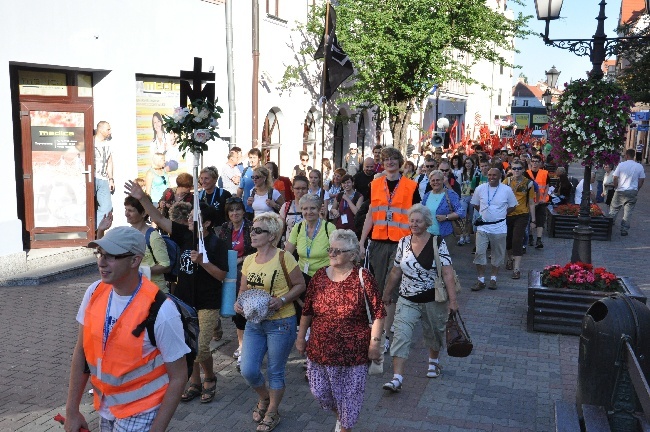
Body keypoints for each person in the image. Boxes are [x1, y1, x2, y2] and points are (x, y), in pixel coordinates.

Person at [64, 227, 188, 432]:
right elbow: (81, 351)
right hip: (106, 406)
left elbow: (179, 376)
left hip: (143, 411)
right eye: (100, 254)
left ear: (134, 261)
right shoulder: (94, 292)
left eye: (111, 256)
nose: (101, 262)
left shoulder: (162, 310)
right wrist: (71, 410)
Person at [125, 181, 229, 405]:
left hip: (207, 302)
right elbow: (160, 219)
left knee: (200, 348)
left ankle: (210, 378)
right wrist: (143, 198)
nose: (189, 219)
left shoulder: (215, 243)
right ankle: (195, 382)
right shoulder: (184, 235)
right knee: (187, 345)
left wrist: (202, 261)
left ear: (207, 223)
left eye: (195, 217)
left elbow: (221, 275)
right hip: (184, 299)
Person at [296, 229, 385, 432]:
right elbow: (307, 310)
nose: (332, 254)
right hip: (320, 350)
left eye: (338, 251)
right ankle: (342, 418)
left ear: (352, 255)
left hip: (353, 353)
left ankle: (345, 425)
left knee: (349, 398)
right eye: (331, 250)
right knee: (320, 392)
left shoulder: (363, 277)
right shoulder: (319, 277)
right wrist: (301, 337)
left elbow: (379, 313)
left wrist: (375, 344)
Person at [234, 213, 306, 432]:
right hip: (254, 323)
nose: (252, 234)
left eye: (258, 231)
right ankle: (264, 398)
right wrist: (238, 304)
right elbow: (243, 291)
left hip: (281, 323)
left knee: (275, 371)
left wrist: (282, 300)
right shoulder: (248, 260)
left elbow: (300, 285)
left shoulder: (284, 257)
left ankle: (273, 411)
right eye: (252, 230)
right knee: (248, 369)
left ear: (271, 235)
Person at [381, 205, 458, 392]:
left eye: (419, 221)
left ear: (427, 223)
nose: (414, 224)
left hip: (433, 298)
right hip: (407, 298)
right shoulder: (403, 242)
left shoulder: (437, 242)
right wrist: (387, 293)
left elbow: (447, 273)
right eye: (412, 220)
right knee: (401, 334)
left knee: (434, 331)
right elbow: (396, 270)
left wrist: (453, 301)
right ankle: (397, 378)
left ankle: (433, 362)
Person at [359, 147, 420, 352]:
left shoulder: (412, 186)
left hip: (401, 243)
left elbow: (416, 217)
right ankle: (380, 327)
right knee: (376, 287)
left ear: (400, 162)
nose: (390, 162)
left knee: (389, 289)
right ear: (382, 163)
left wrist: (416, 243)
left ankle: (384, 335)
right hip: (377, 242)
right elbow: (370, 214)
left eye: (394, 159)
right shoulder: (375, 184)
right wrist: (361, 242)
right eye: (386, 159)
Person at [97, 197, 171, 292]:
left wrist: (138, 270)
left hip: (155, 292)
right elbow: (102, 252)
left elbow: (166, 266)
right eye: (126, 210)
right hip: (135, 291)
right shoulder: (126, 233)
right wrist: (100, 230)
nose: (126, 214)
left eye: (131, 210)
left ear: (143, 213)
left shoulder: (153, 236)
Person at [218, 197, 256, 370]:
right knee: (235, 310)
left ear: (243, 211)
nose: (235, 213)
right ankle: (242, 344)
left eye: (238, 210)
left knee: (245, 309)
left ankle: (248, 347)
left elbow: (257, 249)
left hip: (247, 271)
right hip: (230, 272)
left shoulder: (250, 227)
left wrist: (240, 259)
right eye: (231, 210)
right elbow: (219, 249)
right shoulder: (225, 229)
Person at [470, 168, 517, 291]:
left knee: (497, 254)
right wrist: (484, 213)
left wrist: (501, 214)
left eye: (494, 175)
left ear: (500, 176)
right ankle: (480, 280)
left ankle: (493, 279)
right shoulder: (480, 188)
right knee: (479, 252)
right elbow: (475, 203)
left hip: (499, 227)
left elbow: (513, 206)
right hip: (483, 226)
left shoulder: (506, 190)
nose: (491, 177)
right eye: (489, 175)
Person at [285, 194, 336, 289]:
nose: (309, 212)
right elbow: (287, 253)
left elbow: (338, 256)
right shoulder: (298, 227)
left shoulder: (329, 228)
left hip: (324, 278)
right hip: (302, 278)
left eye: (313, 208)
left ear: (319, 209)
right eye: (305, 209)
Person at [503, 160, 536, 280]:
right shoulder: (506, 181)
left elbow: (531, 202)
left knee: (517, 239)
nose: (516, 170)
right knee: (508, 239)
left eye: (519, 168)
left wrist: (533, 220)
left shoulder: (529, 183)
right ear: (511, 169)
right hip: (508, 214)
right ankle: (509, 259)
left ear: (523, 170)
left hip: (522, 214)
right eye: (514, 168)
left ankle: (516, 269)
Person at [609, 148, 645, 236]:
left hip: (620, 190)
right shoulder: (639, 166)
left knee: (614, 209)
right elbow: (641, 179)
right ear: (634, 156)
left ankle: (609, 225)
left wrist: (616, 185)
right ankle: (624, 229)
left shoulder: (621, 165)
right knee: (628, 212)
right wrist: (637, 188)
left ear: (626, 156)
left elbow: (615, 177)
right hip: (632, 191)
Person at [422, 170, 465, 239]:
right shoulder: (427, 195)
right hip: (428, 235)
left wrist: (446, 217)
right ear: (430, 182)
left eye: (438, 180)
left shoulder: (451, 194)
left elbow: (461, 212)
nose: (435, 182)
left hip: (446, 235)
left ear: (443, 180)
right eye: (433, 180)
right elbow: (422, 212)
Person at [527, 155, 550, 249]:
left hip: (541, 202)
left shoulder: (544, 173)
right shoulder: (526, 173)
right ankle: (531, 237)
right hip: (530, 201)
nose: (535, 163)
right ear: (530, 162)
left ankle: (539, 239)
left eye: (537, 161)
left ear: (540, 163)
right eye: (533, 161)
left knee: (541, 220)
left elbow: (547, 186)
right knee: (531, 220)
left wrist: (544, 198)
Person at [94, 121, 113, 228]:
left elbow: (109, 162)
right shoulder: (91, 140)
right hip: (91, 177)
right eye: (108, 129)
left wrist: (111, 179)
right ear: (100, 130)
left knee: (106, 207)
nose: (110, 132)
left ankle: (97, 230)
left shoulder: (108, 144)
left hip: (103, 178)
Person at [279, 175, 309, 244]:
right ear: (292, 189)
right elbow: (281, 228)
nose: (300, 191)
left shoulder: (313, 206)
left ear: (308, 189)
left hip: (307, 248)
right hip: (289, 246)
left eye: (303, 188)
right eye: (297, 188)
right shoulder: (286, 206)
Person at [238, 148, 263, 219]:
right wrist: (237, 201)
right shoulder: (245, 171)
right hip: (247, 208)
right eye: (250, 157)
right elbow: (240, 188)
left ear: (259, 158)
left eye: (254, 157)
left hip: (260, 208)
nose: (252, 160)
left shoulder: (263, 171)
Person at [457, 157, 475, 245]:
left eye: (469, 163)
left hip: (472, 197)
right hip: (463, 197)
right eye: (466, 163)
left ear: (472, 164)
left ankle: (468, 235)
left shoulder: (476, 173)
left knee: (470, 217)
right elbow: (458, 185)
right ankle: (461, 236)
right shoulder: (461, 173)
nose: (467, 164)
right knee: (462, 217)